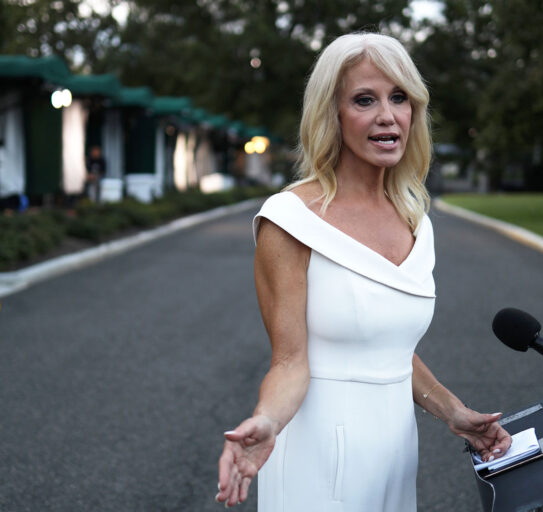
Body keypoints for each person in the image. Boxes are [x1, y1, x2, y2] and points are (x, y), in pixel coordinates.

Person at [215, 32, 512, 510]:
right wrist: (266, 422)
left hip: (396, 454)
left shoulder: (416, 220)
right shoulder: (289, 220)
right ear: (331, 114)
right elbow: (290, 361)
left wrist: (452, 411)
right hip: (317, 454)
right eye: (364, 100)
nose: (387, 115)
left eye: (399, 98)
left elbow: (387, 348)